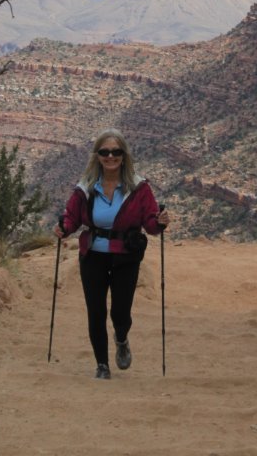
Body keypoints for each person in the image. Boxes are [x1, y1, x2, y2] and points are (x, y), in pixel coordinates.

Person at [55, 128, 169, 380]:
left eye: (116, 152)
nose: (110, 156)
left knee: (120, 311)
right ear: (97, 156)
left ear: (124, 155)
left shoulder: (139, 188)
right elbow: (72, 218)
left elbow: (150, 224)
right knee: (95, 310)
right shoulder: (85, 188)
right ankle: (102, 364)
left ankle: (121, 337)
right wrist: (63, 227)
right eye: (105, 152)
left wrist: (160, 222)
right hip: (93, 254)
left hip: (126, 256)